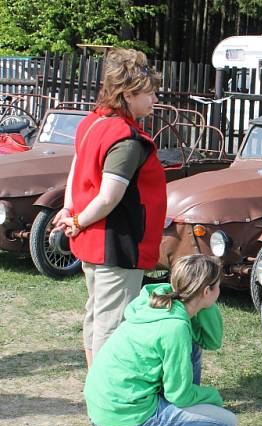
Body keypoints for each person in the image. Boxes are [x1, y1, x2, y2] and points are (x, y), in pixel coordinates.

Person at [54, 48, 167, 367]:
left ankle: (96, 388)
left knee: (97, 315)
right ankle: (106, 401)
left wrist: (70, 210)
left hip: (96, 241)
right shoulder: (126, 139)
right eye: (150, 92)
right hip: (116, 244)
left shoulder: (93, 121)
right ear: (129, 94)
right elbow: (108, 197)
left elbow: (77, 164)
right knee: (112, 324)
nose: (155, 99)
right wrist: (76, 219)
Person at [84, 254, 237, 426]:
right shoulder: (175, 328)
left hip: (105, 407)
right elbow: (179, 395)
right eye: (217, 287)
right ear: (206, 291)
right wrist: (212, 397)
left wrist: (203, 304)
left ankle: (162, 421)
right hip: (123, 416)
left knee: (193, 346)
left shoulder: (160, 300)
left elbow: (210, 340)